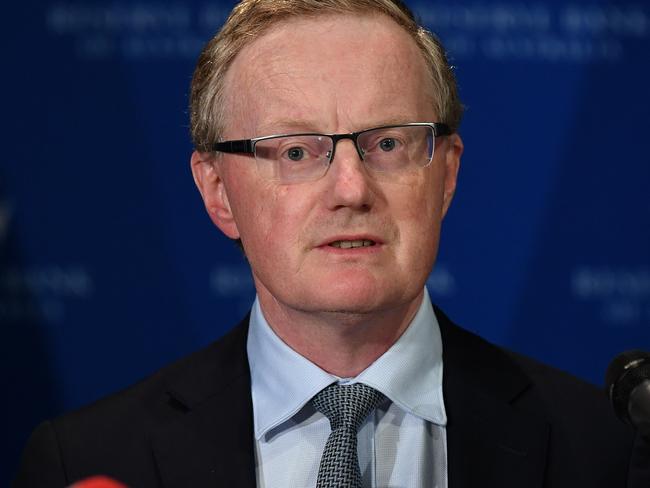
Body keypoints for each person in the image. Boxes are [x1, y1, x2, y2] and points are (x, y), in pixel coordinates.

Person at [13, 0, 649, 487]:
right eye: (296, 150)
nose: (351, 188)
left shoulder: (605, 450)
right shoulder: (91, 461)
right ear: (217, 191)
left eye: (390, 144)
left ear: (447, 174)